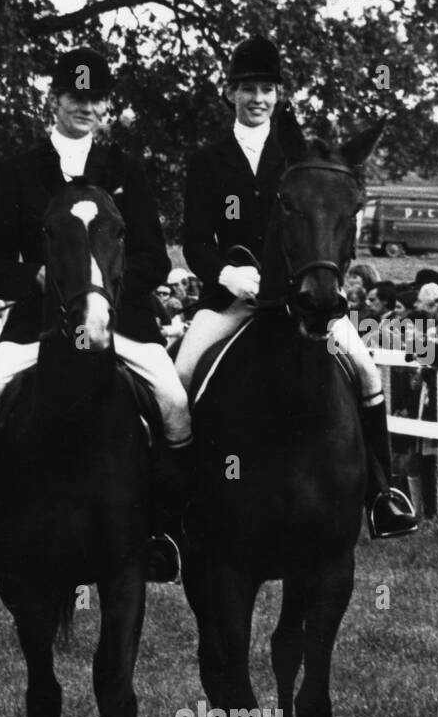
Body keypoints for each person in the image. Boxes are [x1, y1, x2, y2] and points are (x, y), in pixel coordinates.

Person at [174, 36, 417, 539]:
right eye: (247, 89)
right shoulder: (208, 160)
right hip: (231, 301)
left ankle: (383, 494)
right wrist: (228, 275)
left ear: (278, 96)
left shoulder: (299, 157)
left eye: (266, 89)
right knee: (178, 382)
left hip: (300, 301)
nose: (257, 98)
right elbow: (195, 240)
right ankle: (171, 506)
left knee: (368, 374)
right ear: (230, 94)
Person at [0, 47, 192, 581]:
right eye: (76, 97)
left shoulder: (125, 169)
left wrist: (106, 288)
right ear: (55, 100)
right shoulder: (19, 171)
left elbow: (155, 260)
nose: (86, 108)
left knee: (174, 401)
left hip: (121, 324)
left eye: (96, 99)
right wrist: (38, 280)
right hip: (39, 325)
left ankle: (165, 530)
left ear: (106, 106)